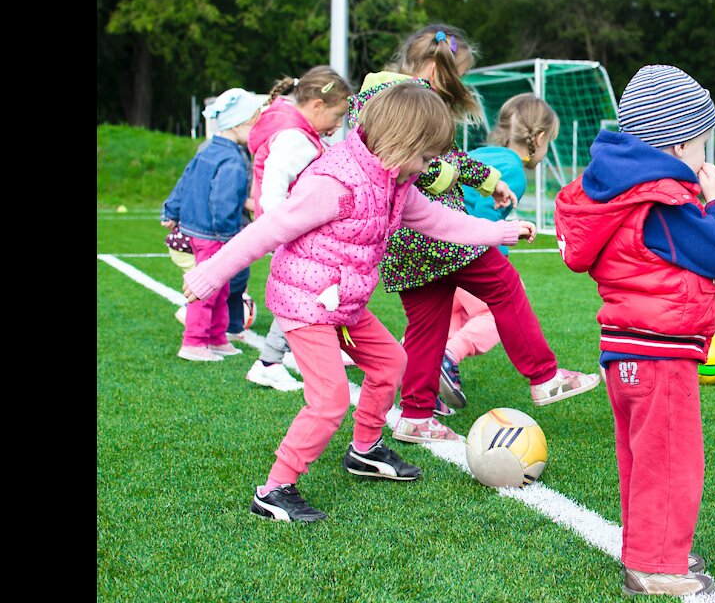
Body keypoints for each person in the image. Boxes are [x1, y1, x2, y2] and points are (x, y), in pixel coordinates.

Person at [181, 82, 537, 523]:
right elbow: (268, 230)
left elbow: (439, 221)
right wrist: (210, 274)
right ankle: (273, 490)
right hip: (306, 303)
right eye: (427, 157)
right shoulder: (335, 183)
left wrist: (501, 231)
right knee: (329, 399)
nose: (430, 168)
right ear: (401, 143)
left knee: (392, 363)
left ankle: (365, 451)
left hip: (343, 303)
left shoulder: (395, 181)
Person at [351, 24, 599, 445]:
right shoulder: (405, 99)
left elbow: (446, 155)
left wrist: (489, 182)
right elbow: (417, 164)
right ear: (434, 68)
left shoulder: (380, 95)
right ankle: (544, 376)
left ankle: (414, 415)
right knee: (504, 285)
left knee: (428, 326)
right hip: (436, 234)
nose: (457, 86)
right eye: (456, 75)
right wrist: (454, 180)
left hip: (404, 242)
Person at [554, 65, 715, 596]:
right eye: (704, 144)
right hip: (658, 358)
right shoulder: (663, 199)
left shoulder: (624, 193)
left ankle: (652, 548)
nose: (707, 158)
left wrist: (705, 300)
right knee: (670, 461)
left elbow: (650, 268)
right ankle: (656, 567)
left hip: (628, 350)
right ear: (680, 144)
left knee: (644, 459)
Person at [436, 93, 560, 417]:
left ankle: (426, 382)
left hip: (437, 251)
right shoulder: (514, 172)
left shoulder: (478, 154)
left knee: (448, 319)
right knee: (497, 314)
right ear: (540, 138)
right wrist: (501, 247)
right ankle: (449, 356)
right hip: (468, 254)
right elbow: (484, 215)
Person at [244, 66, 354, 393]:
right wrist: (286, 230)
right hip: (292, 233)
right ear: (317, 107)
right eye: (337, 116)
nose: (338, 127)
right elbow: (274, 190)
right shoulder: (295, 139)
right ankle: (269, 362)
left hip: (294, 230)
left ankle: (283, 356)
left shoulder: (299, 132)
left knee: (310, 292)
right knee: (303, 295)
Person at [162, 87, 266, 362]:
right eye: (254, 123)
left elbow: (184, 180)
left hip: (201, 230)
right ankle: (194, 342)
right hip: (215, 234)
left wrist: (170, 209)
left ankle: (216, 338)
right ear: (240, 124)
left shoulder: (208, 149)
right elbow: (223, 202)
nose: (256, 130)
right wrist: (230, 237)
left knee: (221, 287)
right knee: (208, 288)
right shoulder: (232, 159)